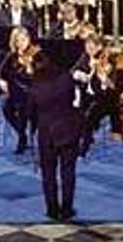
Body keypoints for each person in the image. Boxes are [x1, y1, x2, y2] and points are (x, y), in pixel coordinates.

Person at [28, 52, 83, 220]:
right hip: (67, 129)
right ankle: (67, 209)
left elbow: (30, 111)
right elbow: (73, 98)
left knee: (48, 173)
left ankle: (52, 208)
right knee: (68, 172)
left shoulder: (35, 85)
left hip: (46, 133)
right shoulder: (66, 78)